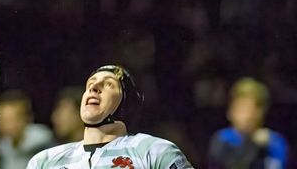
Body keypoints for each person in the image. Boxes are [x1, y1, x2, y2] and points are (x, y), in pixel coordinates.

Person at [26, 66, 193, 169]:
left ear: (127, 101)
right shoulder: (44, 161)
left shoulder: (155, 151)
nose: (94, 88)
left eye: (108, 84)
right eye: (90, 84)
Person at [207, 78, 288, 169]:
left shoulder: (274, 142)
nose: (246, 116)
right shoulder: (222, 139)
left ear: (261, 113)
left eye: (250, 109)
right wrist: (252, 143)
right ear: (231, 112)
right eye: (241, 109)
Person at [0, 91, 55, 169]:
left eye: (13, 119)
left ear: (27, 118)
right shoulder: (4, 144)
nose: (9, 126)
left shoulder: (42, 140)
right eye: (4, 120)